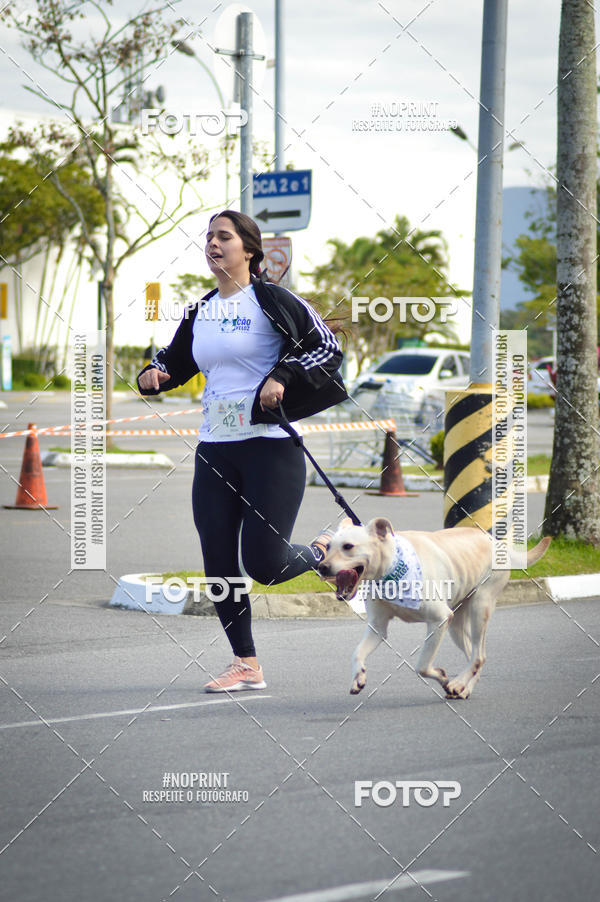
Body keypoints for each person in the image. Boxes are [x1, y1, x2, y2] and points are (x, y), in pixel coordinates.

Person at [137, 210, 350, 692]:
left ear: (249, 250)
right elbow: (173, 360)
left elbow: (326, 348)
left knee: (265, 565)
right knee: (217, 560)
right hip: (215, 449)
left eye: (223, 236)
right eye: (208, 237)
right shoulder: (202, 311)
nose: (213, 244)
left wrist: (281, 376)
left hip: (270, 448)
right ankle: (245, 663)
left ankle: (322, 550)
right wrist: (153, 375)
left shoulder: (271, 300)